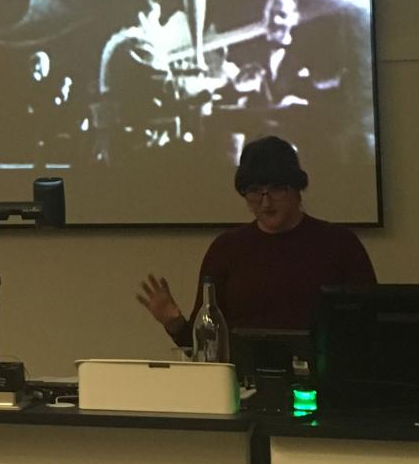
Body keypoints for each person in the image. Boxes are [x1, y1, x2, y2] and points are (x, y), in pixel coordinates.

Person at [136, 134, 375, 344]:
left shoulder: (340, 244)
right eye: (254, 192)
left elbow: (372, 326)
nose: (266, 202)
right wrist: (173, 322)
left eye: (277, 189)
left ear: (297, 188)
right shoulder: (226, 249)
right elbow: (206, 345)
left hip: (323, 376)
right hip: (243, 377)